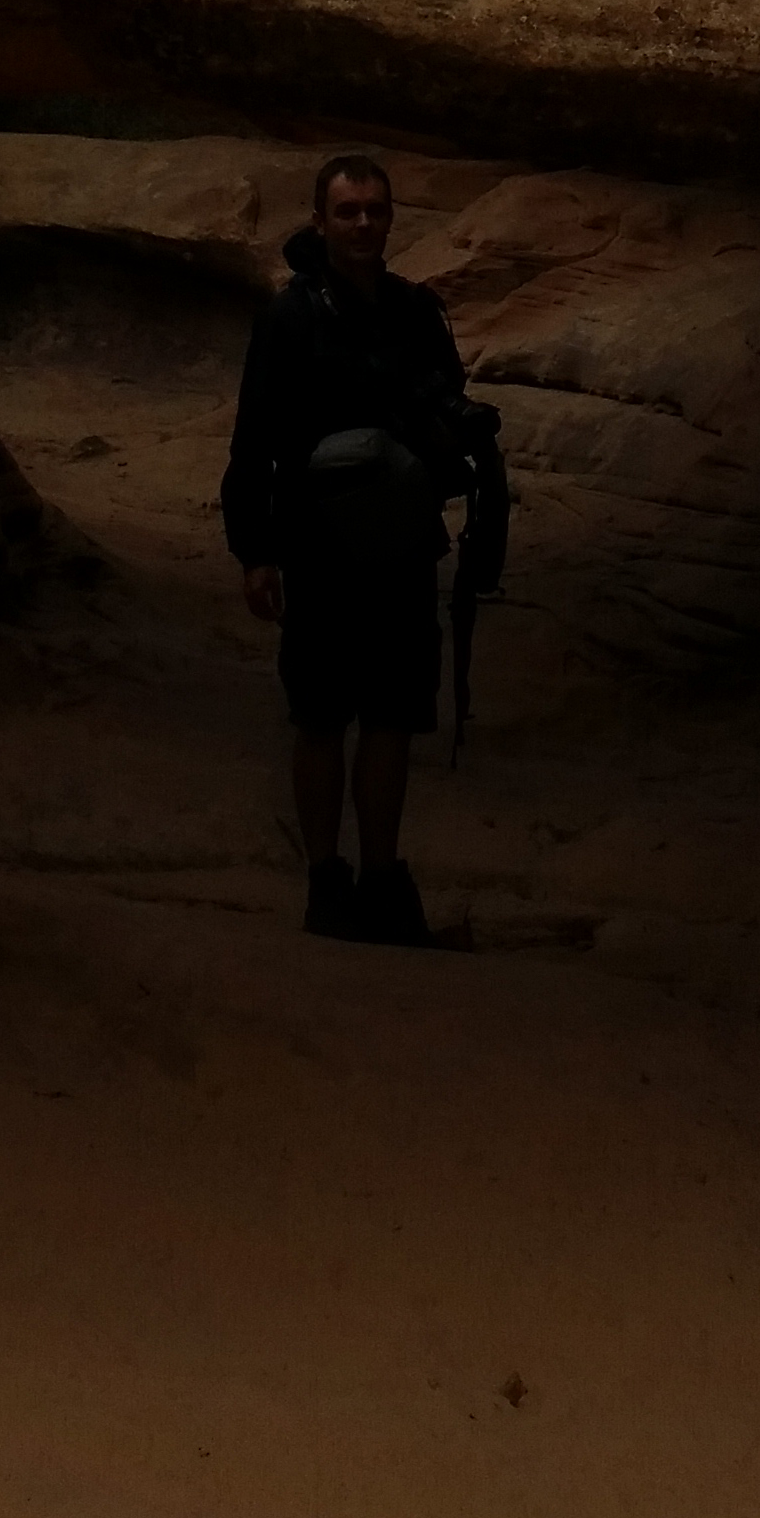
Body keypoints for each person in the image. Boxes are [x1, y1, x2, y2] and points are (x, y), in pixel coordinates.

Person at [221, 153, 495, 942]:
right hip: (319, 545)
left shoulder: (415, 311)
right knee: (319, 712)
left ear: (391, 218)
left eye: (375, 210)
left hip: (402, 541)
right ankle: (325, 880)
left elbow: (447, 408)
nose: (364, 224)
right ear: (319, 221)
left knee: (392, 713)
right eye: (348, 212)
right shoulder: (291, 319)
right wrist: (256, 550)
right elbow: (255, 441)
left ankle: (381, 878)